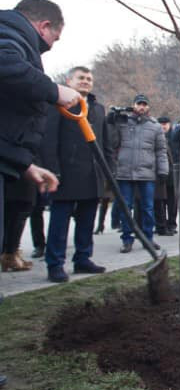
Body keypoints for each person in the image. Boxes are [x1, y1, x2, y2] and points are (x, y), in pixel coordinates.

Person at [0, 0, 81, 388]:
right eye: (54, 39)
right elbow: (9, 70)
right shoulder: (8, 33)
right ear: (44, 25)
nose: (50, 48)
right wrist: (55, 91)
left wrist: (24, 165)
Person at [41, 66, 113, 282]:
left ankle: (82, 258)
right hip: (67, 174)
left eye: (89, 78)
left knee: (87, 221)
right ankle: (55, 264)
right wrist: (53, 171)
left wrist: (109, 171)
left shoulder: (98, 109)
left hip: (93, 176)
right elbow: (49, 141)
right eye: (81, 78)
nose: (85, 81)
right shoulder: (58, 106)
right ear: (69, 81)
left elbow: (105, 143)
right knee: (59, 222)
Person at [111, 94, 168, 253]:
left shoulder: (155, 126)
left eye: (144, 104)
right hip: (125, 172)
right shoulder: (123, 123)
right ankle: (127, 239)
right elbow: (112, 142)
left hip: (147, 172)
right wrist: (113, 121)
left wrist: (163, 170)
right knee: (126, 207)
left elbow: (161, 151)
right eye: (139, 104)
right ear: (133, 105)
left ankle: (148, 238)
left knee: (148, 208)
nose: (141, 107)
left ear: (148, 107)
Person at [156, 116, 177, 235]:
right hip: (160, 174)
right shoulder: (156, 136)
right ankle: (162, 224)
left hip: (172, 174)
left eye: (166, 124)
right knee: (160, 201)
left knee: (172, 202)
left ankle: (172, 223)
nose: (164, 126)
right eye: (161, 124)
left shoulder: (174, 137)